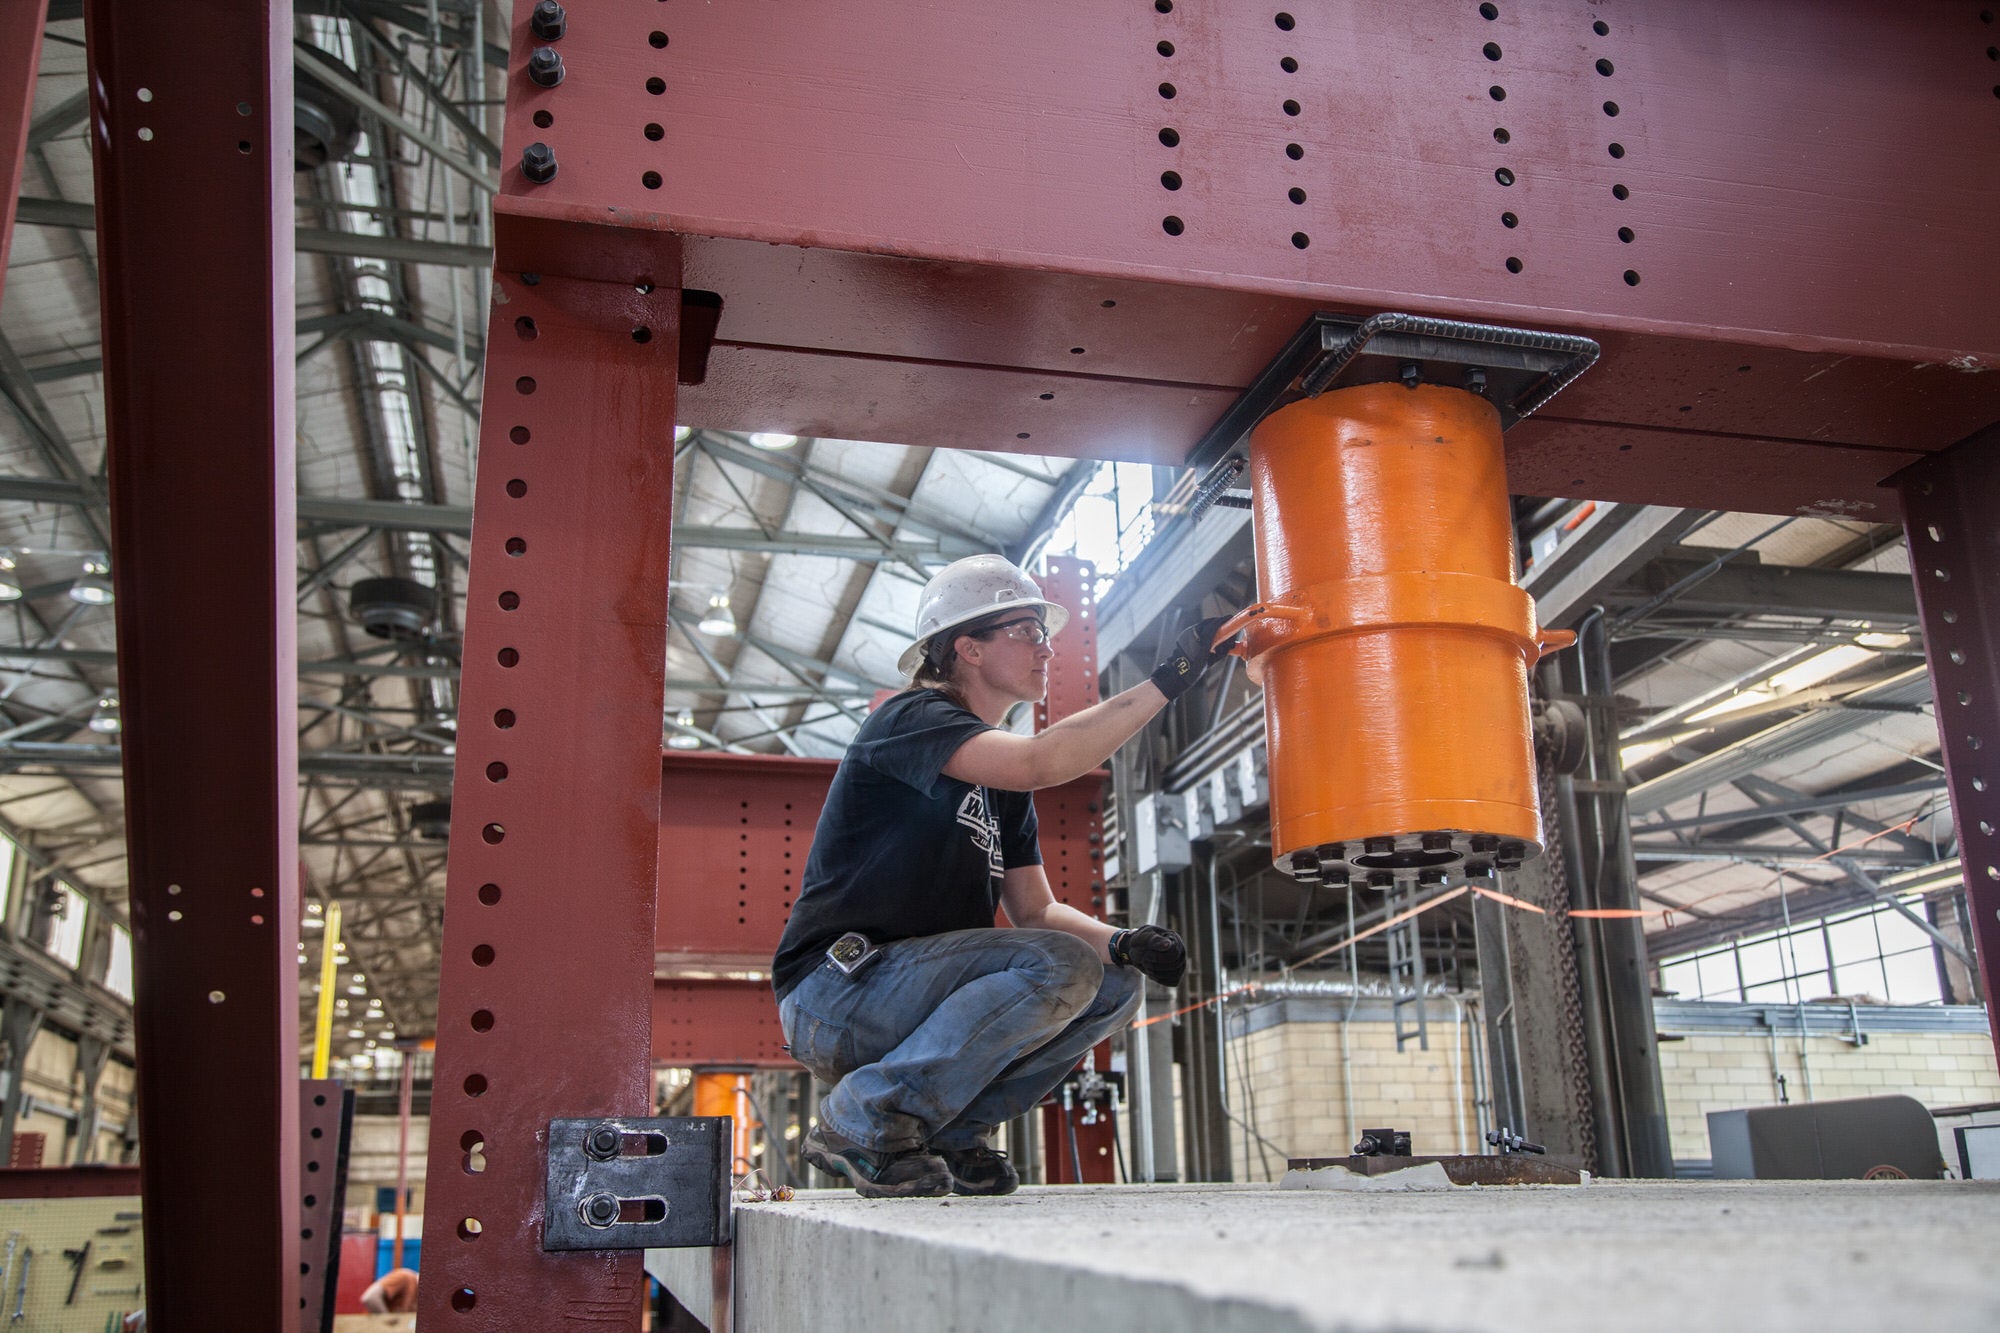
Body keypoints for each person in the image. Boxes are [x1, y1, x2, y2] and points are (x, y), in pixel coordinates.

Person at [772, 553, 1235, 1198]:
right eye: (1027, 631)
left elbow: (1036, 911)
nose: (1047, 649)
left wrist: (1122, 943)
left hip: (904, 994)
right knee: (1060, 966)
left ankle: (952, 1132)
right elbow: (1044, 760)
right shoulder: (908, 721)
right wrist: (1169, 680)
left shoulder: (1001, 782)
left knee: (1110, 983)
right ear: (969, 648)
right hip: (839, 990)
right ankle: (863, 1121)